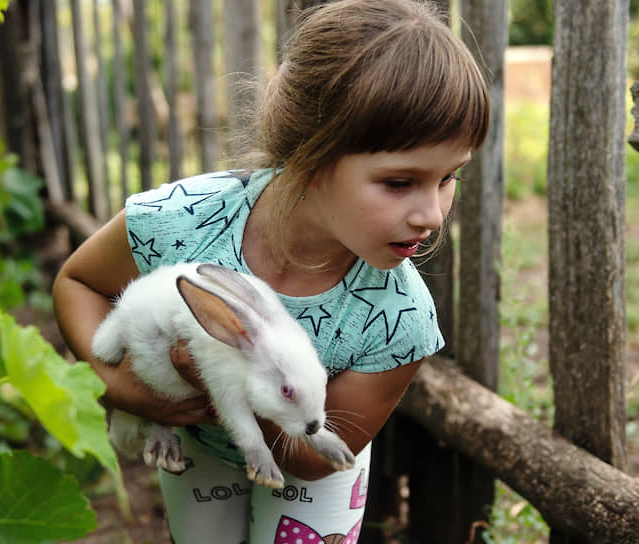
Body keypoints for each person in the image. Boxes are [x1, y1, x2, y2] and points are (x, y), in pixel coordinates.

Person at [53, 0, 489, 541]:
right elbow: (79, 282)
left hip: (312, 461)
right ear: (310, 153)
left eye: (450, 178)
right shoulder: (183, 221)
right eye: (400, 183)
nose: (432, 214)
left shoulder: (399, 319)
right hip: (199, 449)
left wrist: (216, 388)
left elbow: (314, 457)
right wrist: (122, 388)